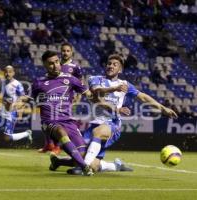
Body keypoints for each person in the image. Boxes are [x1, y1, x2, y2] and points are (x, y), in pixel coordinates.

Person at [50, 54, 178, 175]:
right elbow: (97, 94)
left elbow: (143, 97)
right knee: (86, 159)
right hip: (94, 124)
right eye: (109, 63)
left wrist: (163, 109)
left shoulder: (126, 85)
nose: (111, 66)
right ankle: (114, 165)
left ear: (120, 69)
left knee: (97, 135)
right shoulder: (95, 79)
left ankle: (84, 168)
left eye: (115, 64)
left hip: (112, 124)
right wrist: (115, 94)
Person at [31, 50, 94, 176]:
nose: (55, 66)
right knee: (60, 132)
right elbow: (26, 98)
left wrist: (99, 94)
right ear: (44, 65)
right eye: (50, 64)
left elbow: (89, 94)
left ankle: (58, 162)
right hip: (50, 122)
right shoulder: (38, 82)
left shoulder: (71, 79)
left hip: (69, 121)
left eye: (56, 62)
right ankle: (85, 167)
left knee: (81, 155)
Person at [38, 42, 83, 154]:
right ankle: (48, 144)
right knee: (47, 119)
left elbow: (80, 83)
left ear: (72, 52)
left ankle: (58, 146)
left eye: (68, 51)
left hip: (68, 99)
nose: (65, 53)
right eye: (63, 50)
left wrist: (79, 97)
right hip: (53, 97)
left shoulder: (75, 67)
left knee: (63, 121)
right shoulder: (56, 63)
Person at [0, 65, 32, 151]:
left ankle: (27, 133)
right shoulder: (2, 82)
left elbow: (23, 97)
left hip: (12, 112)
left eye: (10, 72)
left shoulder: (17, 84)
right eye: (6, 72)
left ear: (13, 73)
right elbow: (0, 89)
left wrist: (17, 104)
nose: (8, 74)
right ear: (4, 73)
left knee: (7, 138)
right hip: (2, 109)